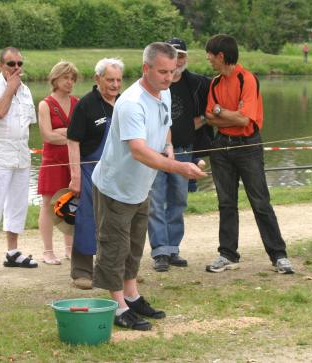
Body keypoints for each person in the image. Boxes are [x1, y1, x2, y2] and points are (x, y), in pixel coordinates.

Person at [91, 42, 206, 330]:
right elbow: (139, 151)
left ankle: (132, 296)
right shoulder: (131, 103)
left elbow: (165, 124)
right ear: (146, 68)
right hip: (116, 187)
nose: (169, 77)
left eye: (172, 70)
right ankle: (117, 308)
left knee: (134, 245)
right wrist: (179, 166)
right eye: (162, 71)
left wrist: (168, 146)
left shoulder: (164, 92)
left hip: (141, 185)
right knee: (114, 247)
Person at [203, 34, 294, 275]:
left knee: (260, 201)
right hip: (221, 146)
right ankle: (227, 254)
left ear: (221, 56)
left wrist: (222, 111)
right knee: (226, 202)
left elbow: (245, 119)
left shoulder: (247, 79)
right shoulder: (214, 84)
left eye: (210, 55)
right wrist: (226, 114)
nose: (209, 60)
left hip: (247, 146)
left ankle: (279, 255)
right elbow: (210, 117)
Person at [147, 37, 211, 272]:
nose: (178, 59)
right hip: (155, 152)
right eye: (173, 54)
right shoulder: (154, 83)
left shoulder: (196, 83)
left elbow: (209, 114)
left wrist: (200, 152)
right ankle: (160, 251)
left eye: (181, 54)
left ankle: (173, 248)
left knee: (179, 201)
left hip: (184, 151)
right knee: (155, 201)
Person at [0, 47, 38, 274]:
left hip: (21, 155)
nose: (17, 68)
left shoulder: (27, 90)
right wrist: (10, 88)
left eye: (20, 64)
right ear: (1, 65)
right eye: (12, 64)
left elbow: (28, 124)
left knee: (17, 204)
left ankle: (13, 252)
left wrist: (17, 89)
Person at [66, 58, 124, 289]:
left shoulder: (125, 103)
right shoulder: (86, 105)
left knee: (119, 221)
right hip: (90, 170)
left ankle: (117, 271)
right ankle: (81, 272)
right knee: (87, 219)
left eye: (118, 80)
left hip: (119, 171)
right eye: (110, 80)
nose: (115, 85)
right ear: (97, 79)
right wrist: (75, 176)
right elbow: (72, 141)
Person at [37, 61, 79, 265]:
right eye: (65, 78)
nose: (69, 82)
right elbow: (47, 136)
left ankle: (70, 248)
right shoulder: (45, 104)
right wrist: (69, 136)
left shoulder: (77, 103)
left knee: (71, 203)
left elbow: (81, 136)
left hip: (73, 161)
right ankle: (47, 251)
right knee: (47, 205)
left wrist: (63, 134)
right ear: (55, 78)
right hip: (52, 161)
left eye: (72, 79)